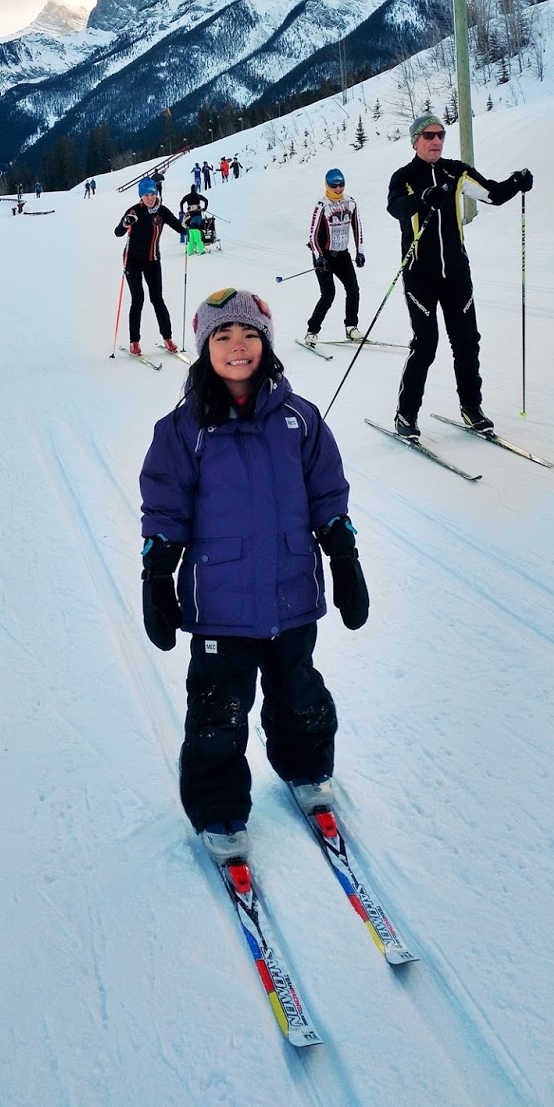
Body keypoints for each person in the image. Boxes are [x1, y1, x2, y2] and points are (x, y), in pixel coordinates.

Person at [139, 288, 370, 864]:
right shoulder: (183, 429)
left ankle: (307, 768)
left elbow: (327, 492)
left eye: (249, 335)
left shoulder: (300, 419)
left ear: (265, 344)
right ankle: (217, 805)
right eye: (223, 336)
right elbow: (165, 507)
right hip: (220, 605)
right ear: (205, 347)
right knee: (218, 710)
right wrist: (157, 572)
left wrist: (344, 555)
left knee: (299, 692)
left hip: (292, 595)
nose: (238, 346)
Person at [387, 115, 533, 438]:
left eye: (441, 134)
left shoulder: (456, 172)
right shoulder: (405, 177)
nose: (437, 141)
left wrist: (516, 182)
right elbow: (396, 207)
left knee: (467, 342)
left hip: (456, 274)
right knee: (426, 344)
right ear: (415, 141)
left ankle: (471, 408)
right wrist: (423, 198)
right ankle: (406, 414)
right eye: (429, 135)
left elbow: (493, 194)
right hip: (419, 276)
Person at [115, 179, 184, 354]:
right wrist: (126, 223)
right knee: (138, 299)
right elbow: (118, 232)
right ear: (141, 196)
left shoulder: (162, 211)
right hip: (132, 261)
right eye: (146, 195)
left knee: (157, 299)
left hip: (152, 260)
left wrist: (187, 225)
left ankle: (168, 338)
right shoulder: (134, 211)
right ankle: (134, 341)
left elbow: (179, 227)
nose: (150, 198)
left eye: (152, 194)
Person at [303, 168, 364, 347]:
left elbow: (357, 227)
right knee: (328, 294)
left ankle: (351, 327)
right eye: (334, 185)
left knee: (353, 290)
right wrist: (319, 256)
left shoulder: (351, 202)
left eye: (341, 184)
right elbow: (312, 235)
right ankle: (312, 331)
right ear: (327, 185)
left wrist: (360, 251)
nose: (338, 188)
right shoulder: (322, 205)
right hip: (324, 257)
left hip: (343, 254)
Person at [179, 187, 208, 254]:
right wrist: (205, 208)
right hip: (198, 214)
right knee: (197, 230)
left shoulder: (187, 196)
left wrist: (182, 211)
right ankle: (200, 248)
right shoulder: (198, 196)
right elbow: (206, 200)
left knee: (191, 230)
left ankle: (190, 249)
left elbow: (181, 202)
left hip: (190, 215)